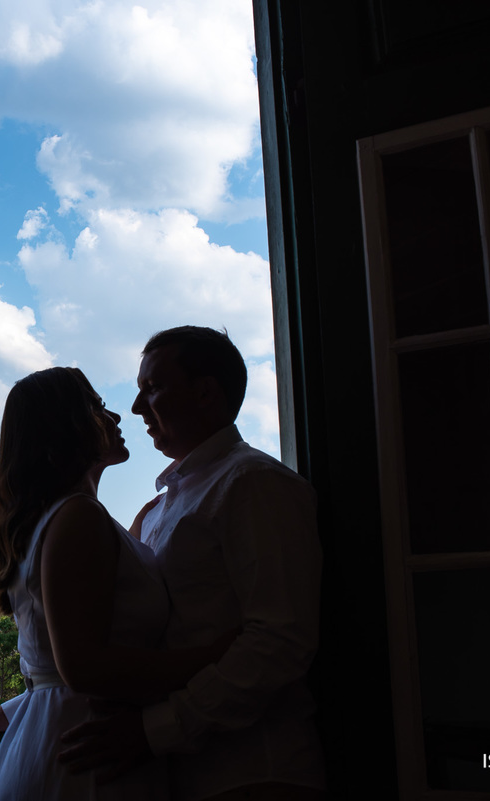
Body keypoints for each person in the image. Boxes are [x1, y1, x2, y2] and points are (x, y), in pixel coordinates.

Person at [0, 366, 229, 801]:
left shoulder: (57, 518)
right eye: (98, 406)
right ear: (67, 427)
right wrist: (215, 655)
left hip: (63, 737)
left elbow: (58, 667)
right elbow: (82, 667)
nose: (115, 417)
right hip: (87, 754)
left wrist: (15, 708)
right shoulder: (78, 517)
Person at [60, 326, 326, 801]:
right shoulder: (162, 509)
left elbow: (280, 640)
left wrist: (155, 729)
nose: (139, 408)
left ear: (205, 393)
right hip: (170, 776)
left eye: (153, 389)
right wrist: (25, 708)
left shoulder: (256, 486)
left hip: (251, 771)